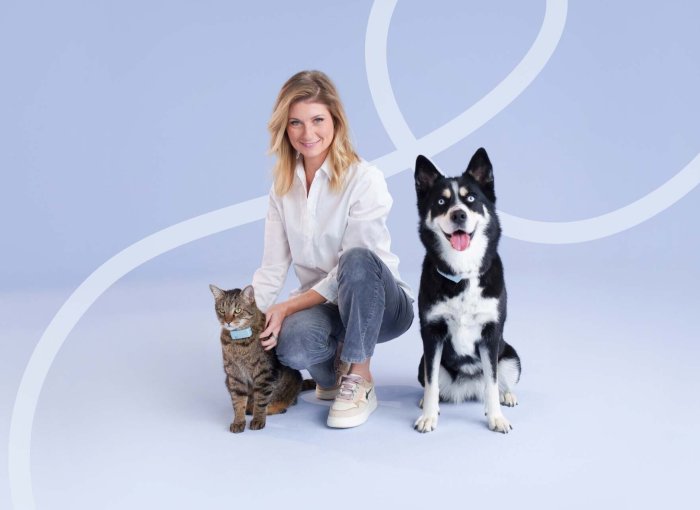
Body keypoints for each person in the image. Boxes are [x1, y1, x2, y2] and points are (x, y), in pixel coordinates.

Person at [251, 70, 414, 428]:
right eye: (295, 123)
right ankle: (331, 377)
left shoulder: (364, 179)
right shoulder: (281, 189)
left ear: (336, 121)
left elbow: (353, 269)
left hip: (383, 306)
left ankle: (360, 377)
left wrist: (288, 305)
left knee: (356, 260)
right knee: (289, 345)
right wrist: (252, 326)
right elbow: (272, 268)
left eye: (317, 120)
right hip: (326, 307)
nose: (307, 134)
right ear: (284, 127)